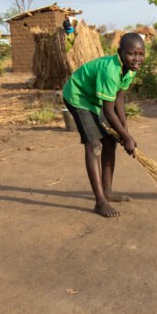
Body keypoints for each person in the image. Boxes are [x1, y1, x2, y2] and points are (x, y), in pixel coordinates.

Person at [62, 33, 145, 217]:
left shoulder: (130, 70)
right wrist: (126, 137)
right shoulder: (111, 71)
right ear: (120, 53)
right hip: (78, 96)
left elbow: (119, 100)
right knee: (94, 146)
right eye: (132, 53)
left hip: (95, 98)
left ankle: (107, 191)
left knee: (110, 142)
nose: (137, 59)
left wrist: (125, 133)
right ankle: (100, 202)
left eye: (141, 54)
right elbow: (108, 111)